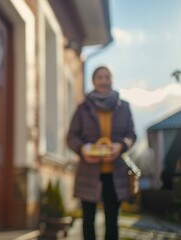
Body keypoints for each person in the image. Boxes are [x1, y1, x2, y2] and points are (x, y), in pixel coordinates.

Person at [67, 65, 136, 240]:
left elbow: (131, 135)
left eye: (107, 77)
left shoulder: (124, 107)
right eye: (100, 77)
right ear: (93, 81)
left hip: (116, 173)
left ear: (111, 80)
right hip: (88, 172)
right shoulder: (83, 108)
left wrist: (121, 146)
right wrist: (83, 149)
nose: (103, 81)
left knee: (112, 221)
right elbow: (71, 136)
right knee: (88, 220)